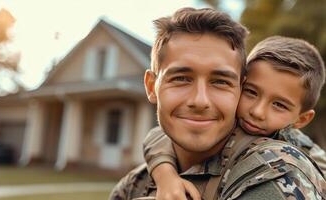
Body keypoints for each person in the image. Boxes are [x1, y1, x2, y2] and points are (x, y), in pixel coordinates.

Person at [109, 7, 326, 200]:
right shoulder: (133, 184)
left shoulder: (277, 168)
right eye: (181, 78)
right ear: (150, 86)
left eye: (220, 82)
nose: (199, 101)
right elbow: (156, 137)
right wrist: (163, 172)